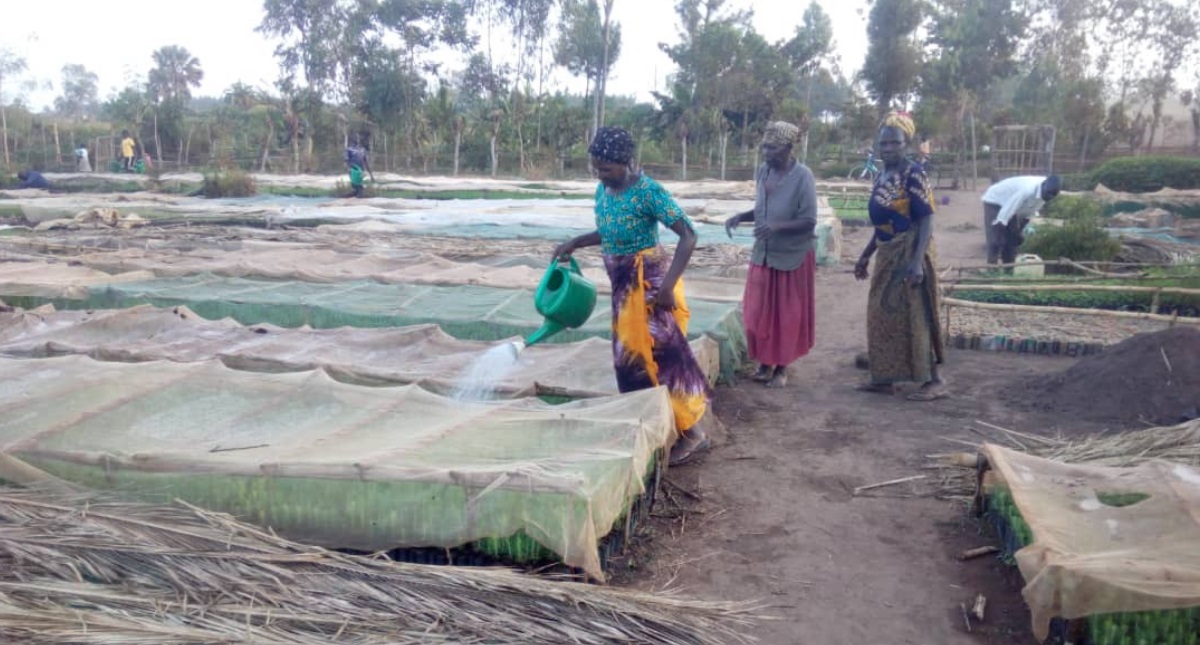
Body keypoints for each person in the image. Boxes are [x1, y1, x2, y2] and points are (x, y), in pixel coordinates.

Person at [553, 126, 711, 465]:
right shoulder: (603, 191)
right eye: (596, 167)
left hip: (652, 285)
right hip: (623, 286)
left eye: (606, 168)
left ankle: (694, 432)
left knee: (665, 356)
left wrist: (668, 286)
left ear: (625, 162)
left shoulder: (649, 192)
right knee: (629, 358)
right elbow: (610, 230)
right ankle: (652, 421)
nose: (600, 174)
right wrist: (574, 243)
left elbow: (689, 235)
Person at [853, 112, 946, 401]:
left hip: (909, 251)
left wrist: (917, 261)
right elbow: (881, 223)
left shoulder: (913, 173)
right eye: (884, 143)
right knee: (881, 313)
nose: (888, 148)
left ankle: (934, 381)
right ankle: (884, 377)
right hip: (887, 250)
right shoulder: (882, 176)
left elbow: (927, 219)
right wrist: (865, 256)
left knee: (916, 315)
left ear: (906, 144)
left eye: (895, 143)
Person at [723, 121, 818, 388]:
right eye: (764, 146)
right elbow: (762, 209)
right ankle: (764, 362)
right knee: (757, 311)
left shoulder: (803, 177)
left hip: (791, 256)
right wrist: (741, 217)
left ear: (788, 148)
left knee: (785, 315)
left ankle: (781, 368)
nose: (766, 152)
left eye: (773, 147)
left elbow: (809, 220)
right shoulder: (763, 171)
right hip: (763, 253)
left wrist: (775, 227)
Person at [981, 175, 1061, 265]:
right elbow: (1009, 208)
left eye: (1052, 196)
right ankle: (992, 268)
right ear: (1044, 186)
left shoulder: (1047, 193)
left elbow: (1028, 213)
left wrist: (1018, 232)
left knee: (1012, 240)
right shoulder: (1027, 190)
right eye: (1048, 194)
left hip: (1011, 204)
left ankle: (1009, 268)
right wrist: (1000, 226)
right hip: (995, 199)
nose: (1049, 197)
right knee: (996, 239)